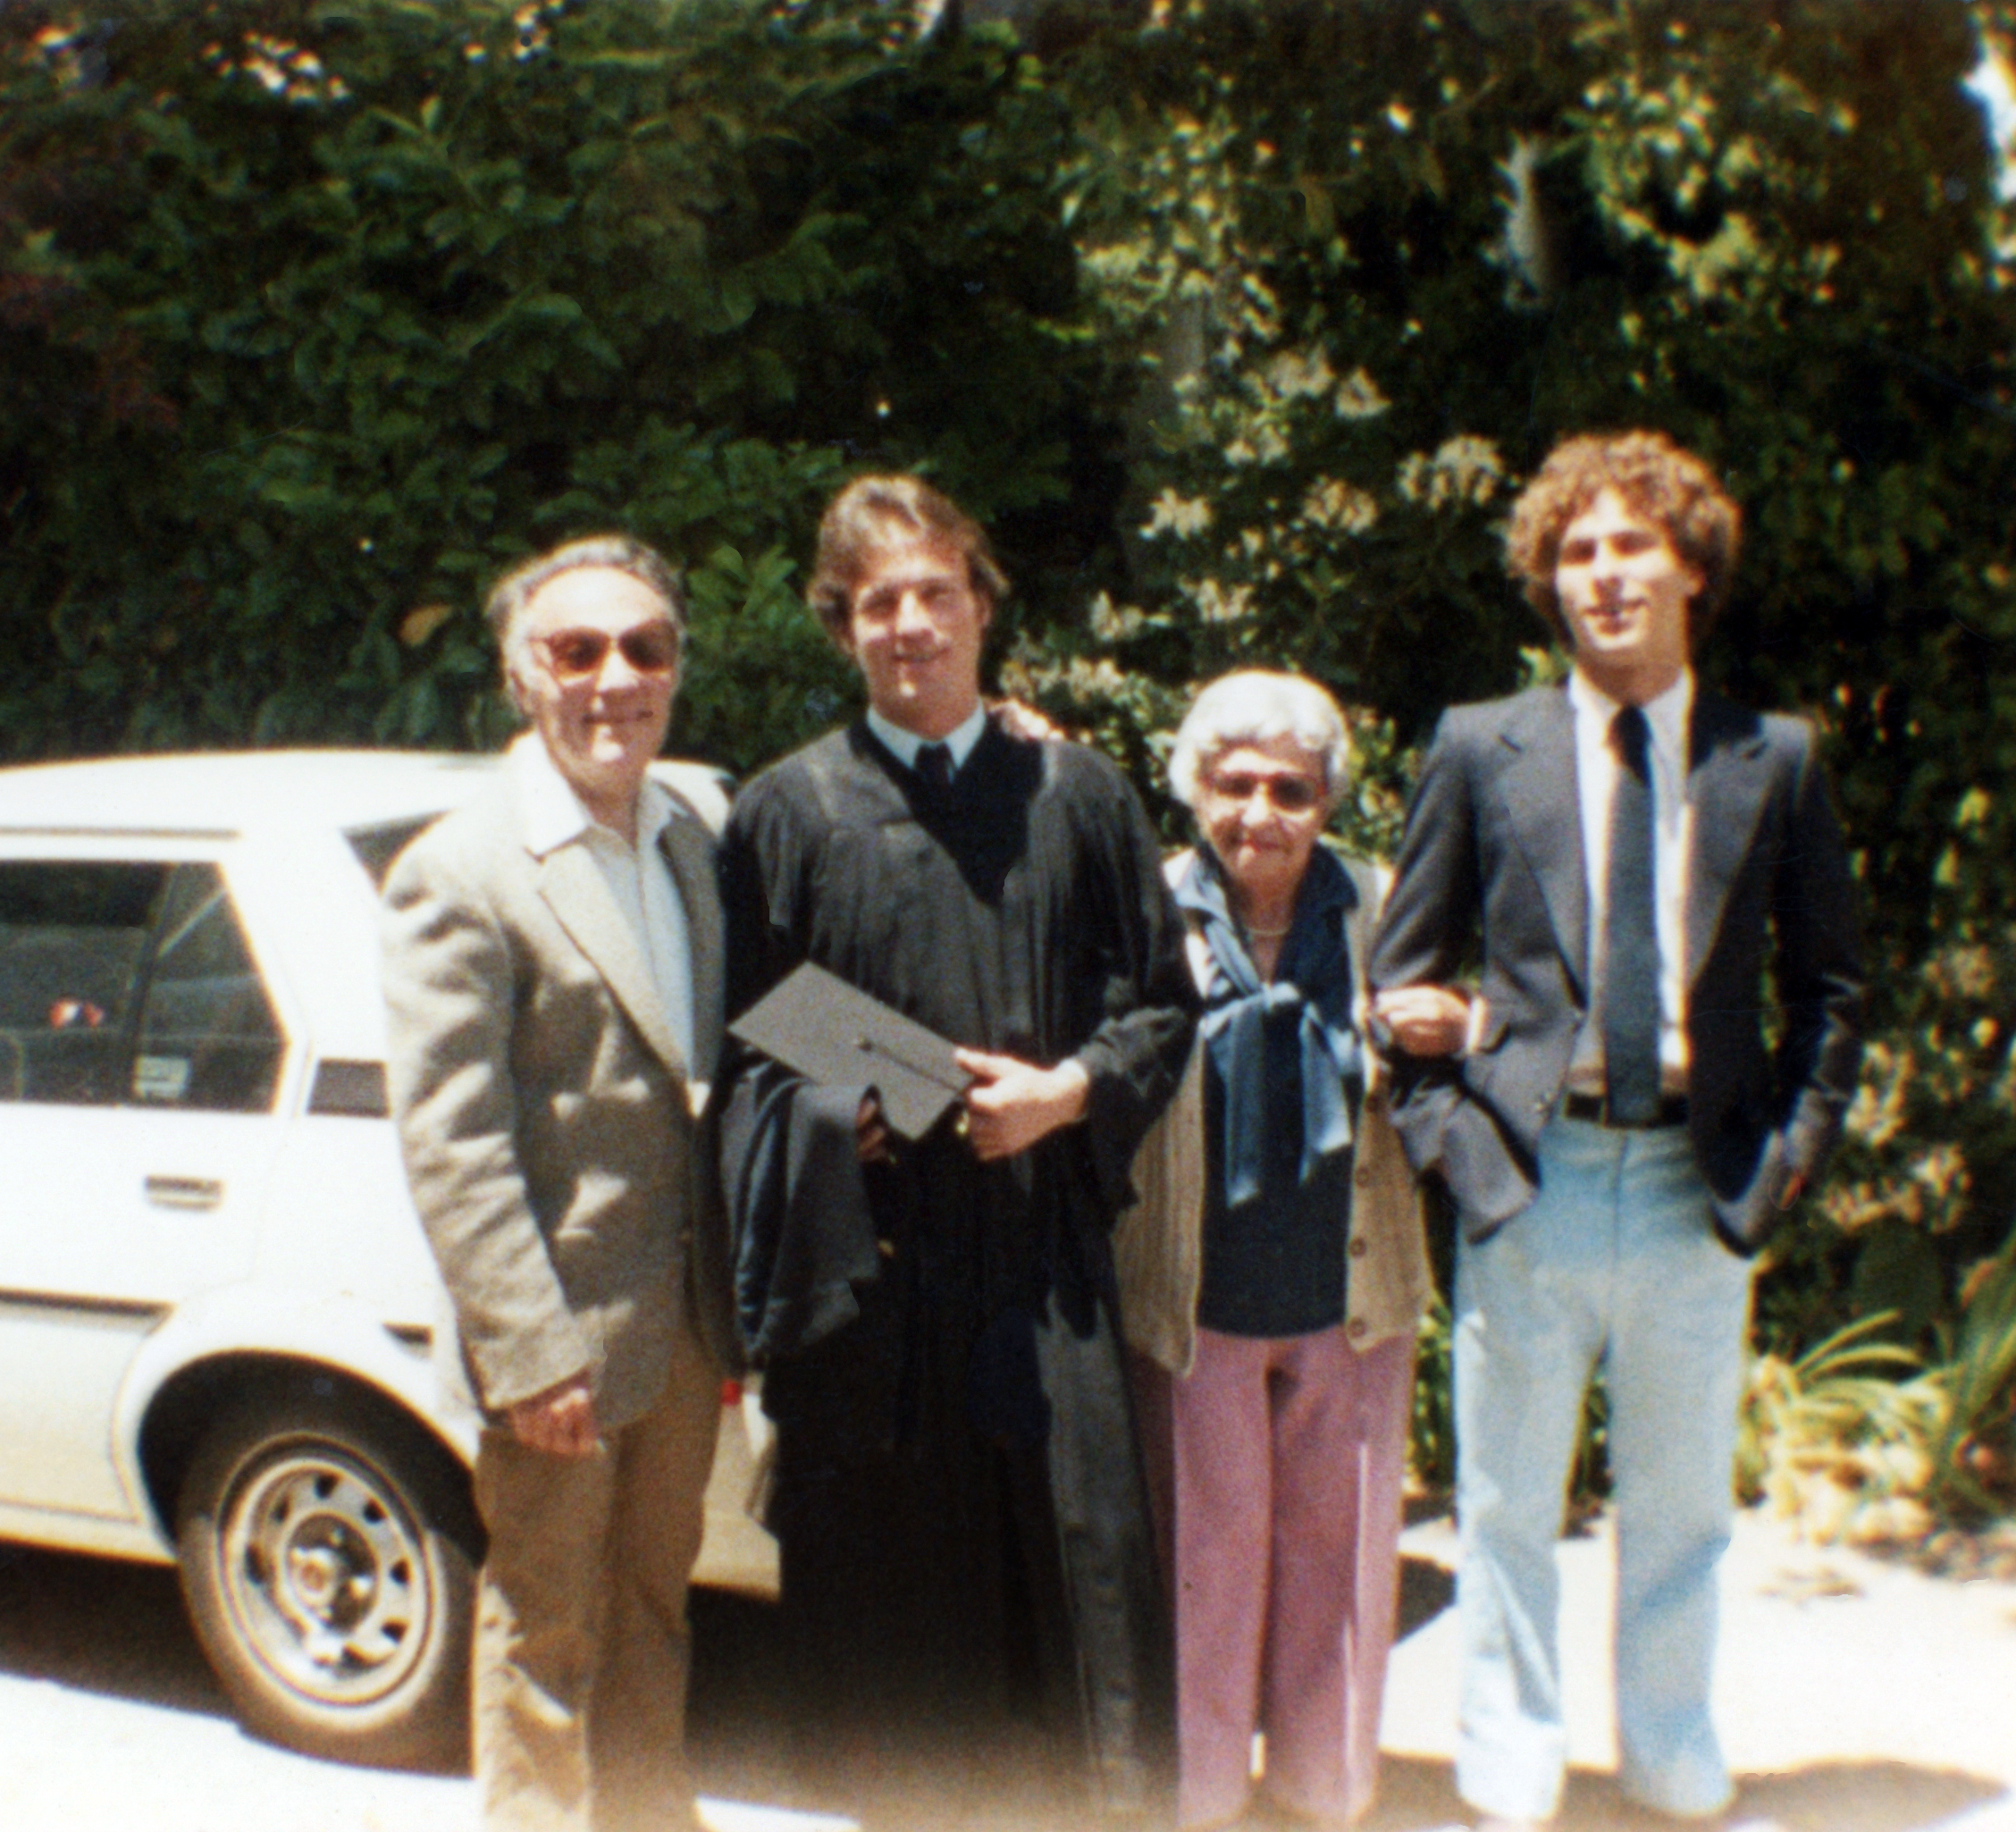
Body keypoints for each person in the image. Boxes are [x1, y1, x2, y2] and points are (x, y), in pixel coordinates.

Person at [1369, 432, 1864, 1830]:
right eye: (1575, 552)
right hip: (1534, 1172)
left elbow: (1835, 988)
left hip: (1691, 1186)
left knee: (1683, 1513)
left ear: (1691, 565)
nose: (1602, 574)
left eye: (1630, 544)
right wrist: (1459, 1159)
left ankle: (1669, 1753)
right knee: (1508, 1506)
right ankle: (1510, 1764)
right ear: (1551, 584)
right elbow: (1397, 980)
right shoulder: (1483, 745)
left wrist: (1774, 1178)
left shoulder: (1773, 760)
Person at [716, 475, 1197, 1826]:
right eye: (880, 602)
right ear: (842, 628)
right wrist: (841, 1113)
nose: (912, 623)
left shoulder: (1080, 794)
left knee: (1077, 1594)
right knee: (897, 1635)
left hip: (1044, 1266)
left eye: (937, 591)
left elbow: (1165, 1003)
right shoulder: (786, 814)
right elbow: (749, 1042)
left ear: (983, 606)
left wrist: (1068, 1091)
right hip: (878, 1285)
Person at [381, 535, 742, 1832]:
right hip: (559, 1349)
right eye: (575, 648)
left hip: (685, 1329)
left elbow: (757, 1015)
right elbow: (452, 1135)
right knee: (546, 1633)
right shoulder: (461, 867)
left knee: (656, 1613)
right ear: (521, 676)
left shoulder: (692, 833)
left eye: (644, 648)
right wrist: (529, 1351)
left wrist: (938, 1088)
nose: (613, 677)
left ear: (675, 672)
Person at [1114, 669, 1460, 1830]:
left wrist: (1450, 1030)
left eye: (1291, 789)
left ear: (1327, 799)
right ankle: (1200, 1801)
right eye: (1234, 782)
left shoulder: (1380, 902)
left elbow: (1466, 1041)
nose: (1260, 810)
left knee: (1340, 1571)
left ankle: (1323, 1796)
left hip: (1349, 1291)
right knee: (1203, 1570)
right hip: (1196, 1296)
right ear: (1194, 787)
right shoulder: (1145, 908)